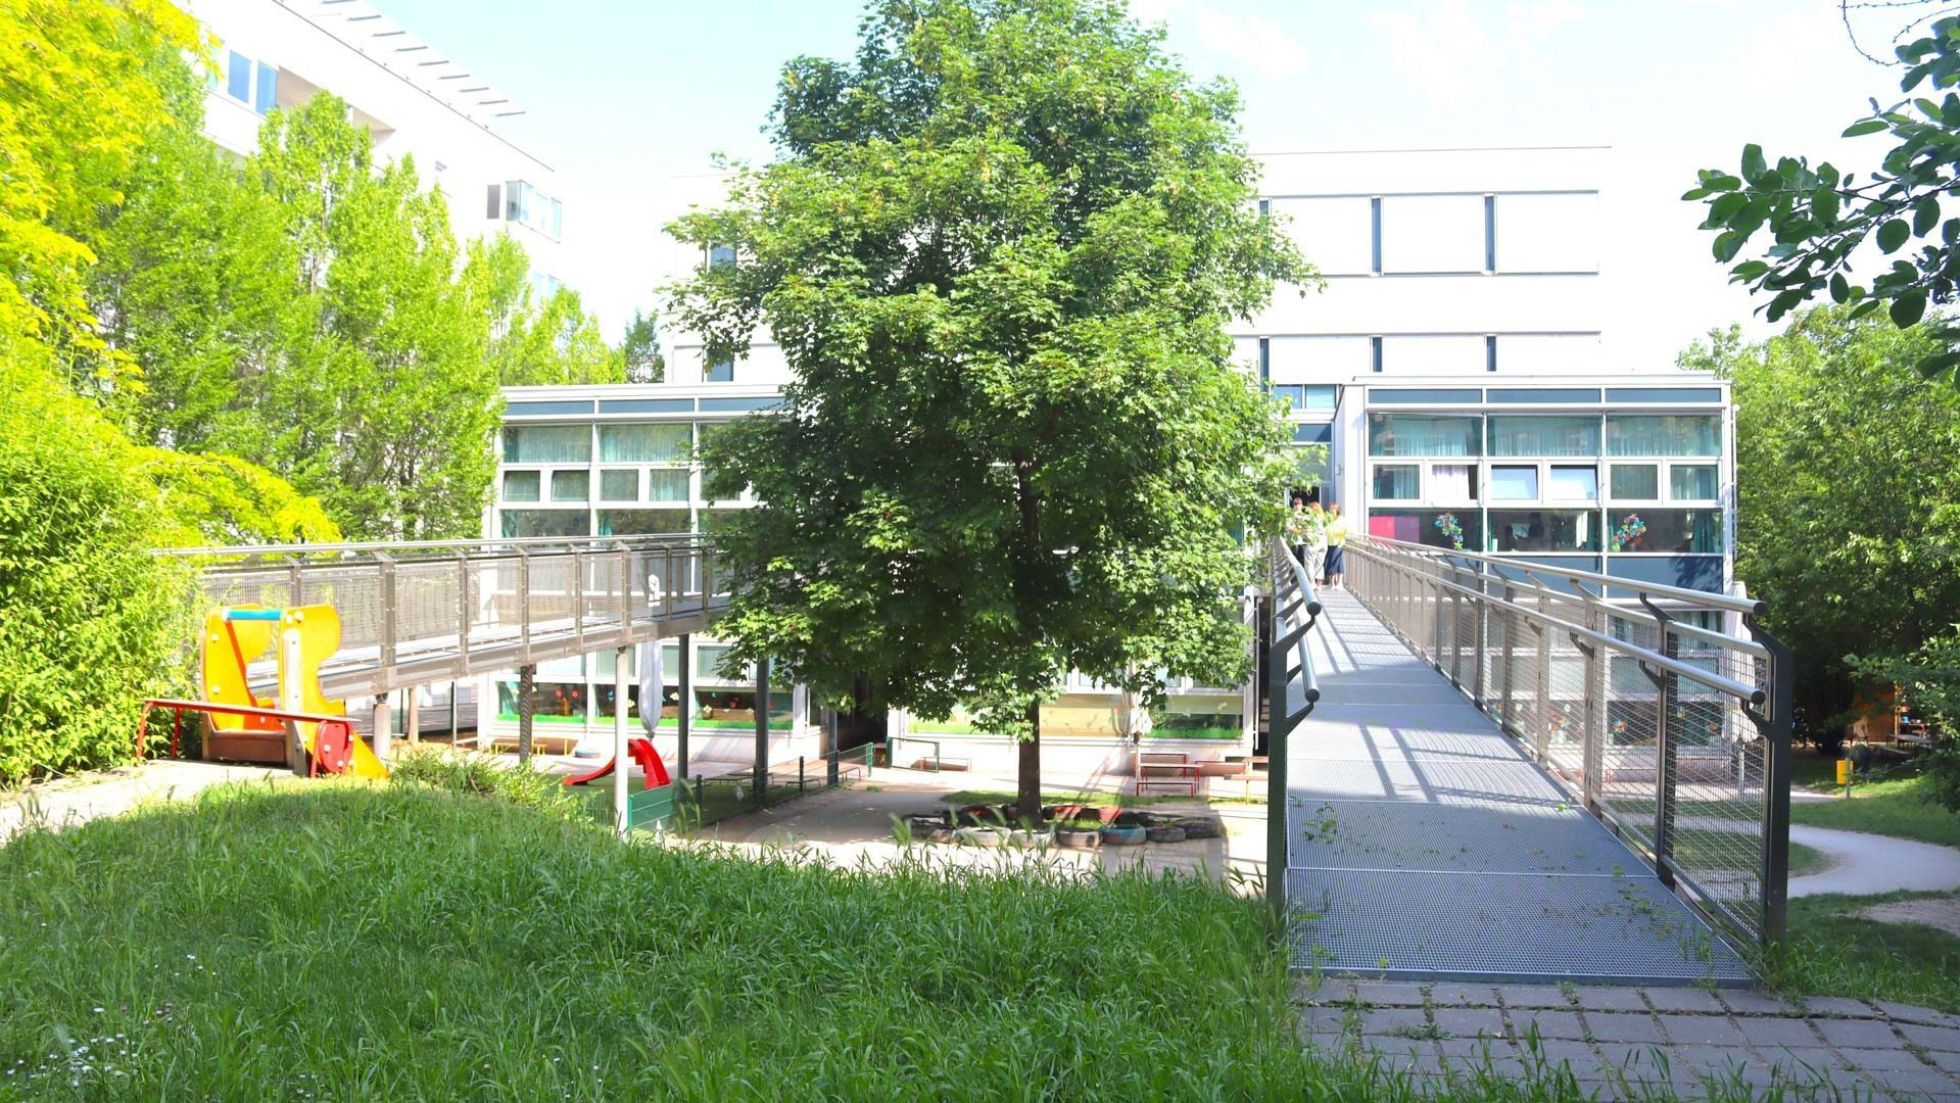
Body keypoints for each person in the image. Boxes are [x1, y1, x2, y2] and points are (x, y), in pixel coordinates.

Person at [1323, 502, 1348, 589]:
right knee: (1335, 562)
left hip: (1338, 543)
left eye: (1333, 509)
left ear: (1337, 510)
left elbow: (1345, 530)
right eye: (1330, 509)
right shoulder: (1329, 519)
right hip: (1330, 543)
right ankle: (1334, 583)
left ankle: (1337, 583)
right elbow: (1325, 529)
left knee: (1334, 562)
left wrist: (1337, 533)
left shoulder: (1341, 519)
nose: (1331, 511)